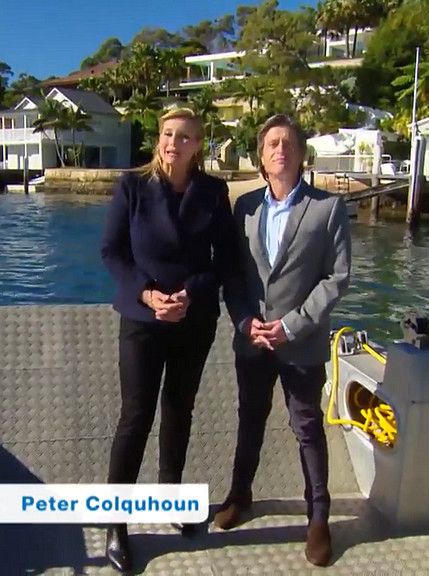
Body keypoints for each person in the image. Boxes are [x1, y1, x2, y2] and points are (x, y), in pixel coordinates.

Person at [99, 107, 238, 573]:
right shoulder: (133, 186)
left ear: (197, 145)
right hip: (143, 318)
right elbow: (112, 251)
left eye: (183, 136)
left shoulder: (213, 192)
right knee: (136, 416)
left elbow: (226, 260)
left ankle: (170, 498)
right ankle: (116, 524)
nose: (172, 142)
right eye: (167, 133)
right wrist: (147, 293)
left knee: (179, 408)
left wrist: (190, 294)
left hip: (194, 318)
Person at [217, 114, 352, 567]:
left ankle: (319, 517)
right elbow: (233, 275)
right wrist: (244, 322)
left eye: (289, 142)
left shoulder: (327, 208)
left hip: (302, 342)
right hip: (253, 340)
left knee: (307, 427)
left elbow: (337, 278)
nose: (281, 149)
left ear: (301, 154)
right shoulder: (245, 208)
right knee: (250, 419)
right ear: (261, 155)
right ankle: (240, 495)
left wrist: (293, 324)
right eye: (272, 143)